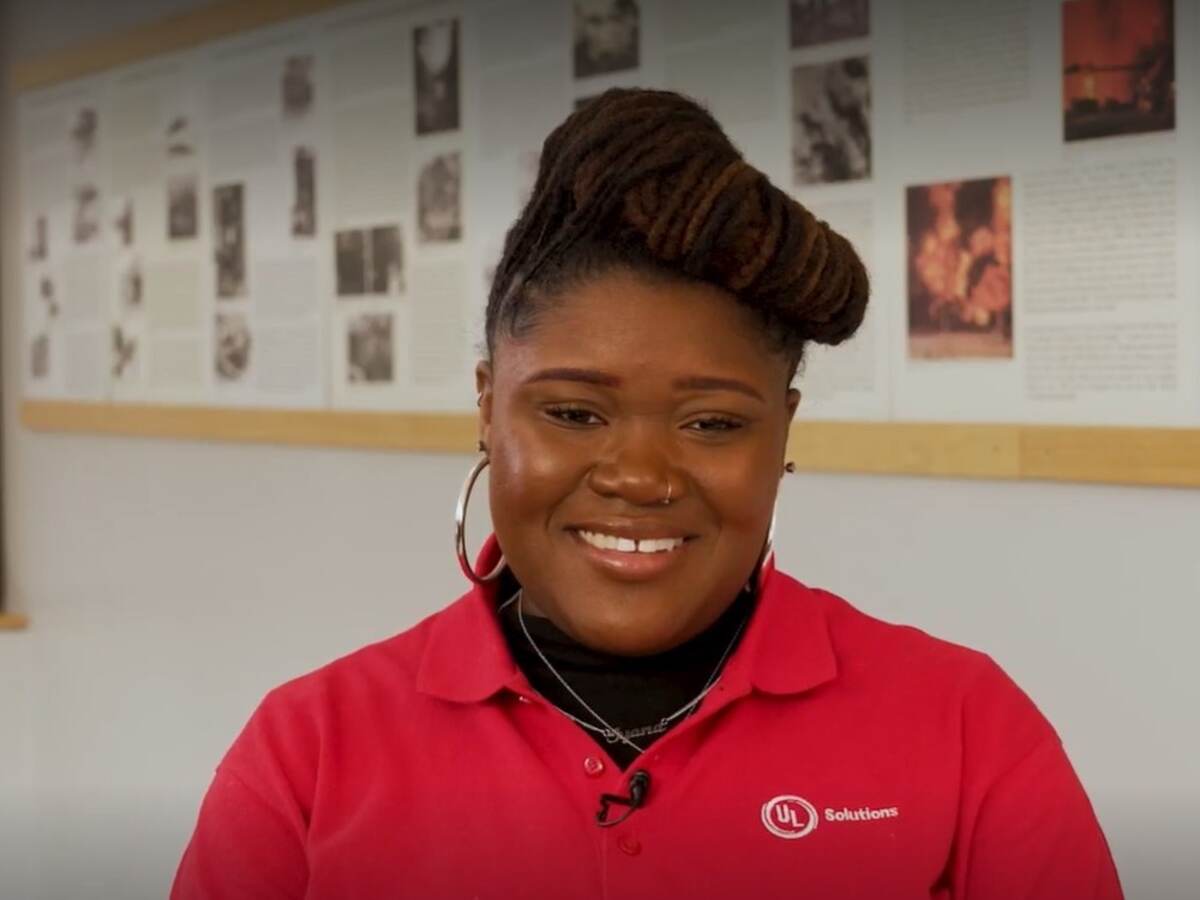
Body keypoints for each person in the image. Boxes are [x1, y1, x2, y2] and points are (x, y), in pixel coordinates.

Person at [171, 88, 1122, 899]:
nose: (640, 477)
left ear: (783, 432)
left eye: (712, 424)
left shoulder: (964, 729)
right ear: (487, 407)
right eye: (574, 414)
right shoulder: (310, 751)